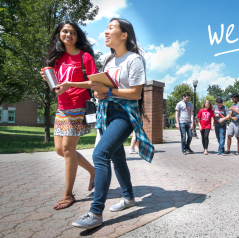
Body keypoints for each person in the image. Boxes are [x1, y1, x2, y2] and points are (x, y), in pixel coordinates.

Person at [72, 18, 154, 229]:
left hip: (124, 114)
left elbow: (135, 94)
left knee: (100, 154)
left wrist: (108, 91)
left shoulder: (134, 59)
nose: (106, 32)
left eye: (111, 28)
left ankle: (95, 212)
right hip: (107, 113)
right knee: (117, 158)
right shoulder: (109, 61)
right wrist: (77, 86)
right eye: (106, 29)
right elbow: (97, 85)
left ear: (124, 34)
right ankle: (129, 198)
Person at [40, 21, 97, 210]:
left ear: (77, 36)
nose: (68, 35)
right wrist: (49, 79)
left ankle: (68, 194)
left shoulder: (85, 57)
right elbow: (57, 86)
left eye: (72, 32)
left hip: (78, 106)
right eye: (65, 31)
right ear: (59, 34)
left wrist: (70, 84)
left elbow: (93, 83)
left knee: (67, 148)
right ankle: (93, 171)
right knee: (60, 150)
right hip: (62, 107)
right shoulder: (56, 59)